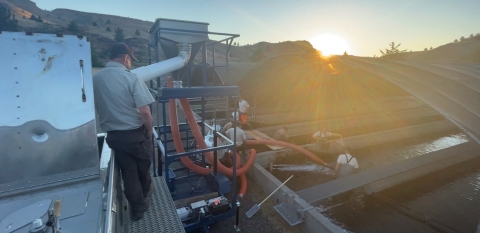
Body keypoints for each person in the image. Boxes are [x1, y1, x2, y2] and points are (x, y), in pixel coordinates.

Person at [93, 42, 154, 221]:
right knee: (143, 169)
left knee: (129, 172)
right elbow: (144, 111)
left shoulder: (95, 79)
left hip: (114, 137)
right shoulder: (131, 78)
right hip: (135, 135)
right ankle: (145, 197)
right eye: (130, 60)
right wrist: (149, 131)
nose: (130, 64)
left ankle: (137, 210)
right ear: (125, 58)